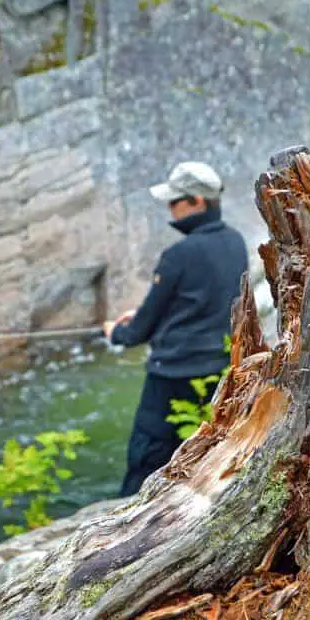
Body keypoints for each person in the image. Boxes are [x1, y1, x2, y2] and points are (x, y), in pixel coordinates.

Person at [104, 161, 249, 497]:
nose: (170, 210)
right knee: (199, 451)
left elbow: (140, 331)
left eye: (174, 202)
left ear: (197, 201)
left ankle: (127, 521)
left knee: (146, 456)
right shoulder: (235, 242)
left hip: (171, 376)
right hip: (218, 369)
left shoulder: (178, 254)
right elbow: (203, 305)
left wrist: (116, 332)